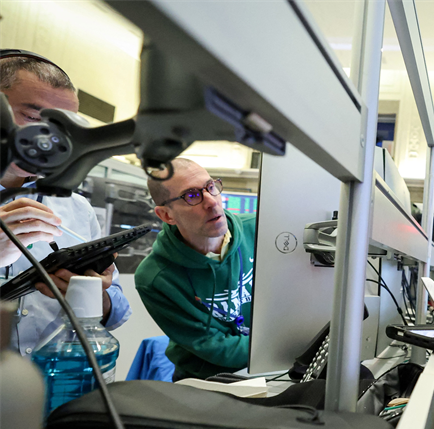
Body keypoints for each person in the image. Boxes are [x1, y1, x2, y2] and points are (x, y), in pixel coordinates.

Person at [0, 52, 130, 356]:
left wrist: (94, 294)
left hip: (55, 385)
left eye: (63, 127)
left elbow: (117, 311)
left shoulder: (76, 207)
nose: (47, 138)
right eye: (32, 118)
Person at [135, 158, 256, 381]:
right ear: (166, 215)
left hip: (274, 365)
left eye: (211, 187)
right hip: (207, 380)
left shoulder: (261, 229)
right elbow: (212, 346)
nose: (211, 201)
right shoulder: (154, 277)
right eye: (191, 196)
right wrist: (279, 348)